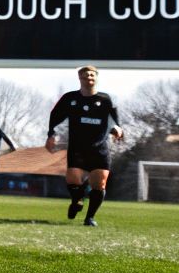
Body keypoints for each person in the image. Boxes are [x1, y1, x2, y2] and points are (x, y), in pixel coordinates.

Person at [46, 64, 124, 227]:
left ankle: (90, 218)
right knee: (73, 181)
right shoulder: (70, 98)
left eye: (92, 75)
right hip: (77, 148)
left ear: (96, 78)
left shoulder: (105, 99)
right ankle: (77, 201)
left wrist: (117, 128)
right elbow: (55, 115)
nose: (89, 77)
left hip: (99, 148)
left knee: (100, 184)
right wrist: (51, 134)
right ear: (80, 78)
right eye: (85, 75)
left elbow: (114, 119)